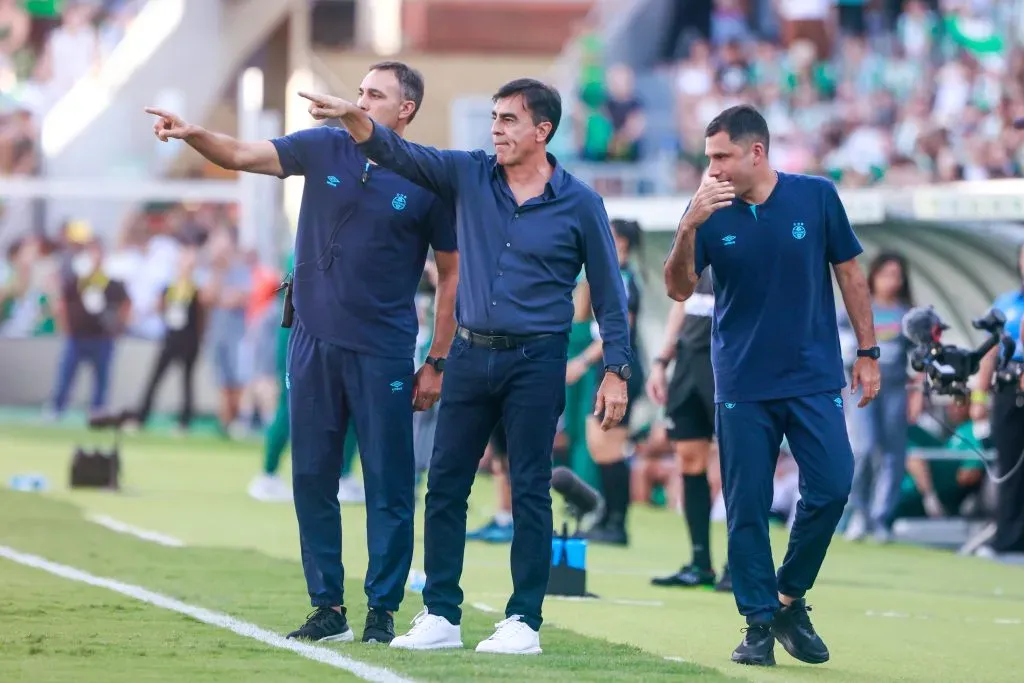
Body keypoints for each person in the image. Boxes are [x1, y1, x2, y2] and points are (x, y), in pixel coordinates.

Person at [297, 77, 632, 654]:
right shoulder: (469, 173)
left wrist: (616, 370)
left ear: (542, 131)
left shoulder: (581, 203)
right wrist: (357, 117)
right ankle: (441, 615)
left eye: (508, 120)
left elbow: (608, 293)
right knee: (446, 486)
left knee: (529, 488)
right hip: (471, 354)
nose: (495, 129)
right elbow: (397, 151)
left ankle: (524, 619)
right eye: (495, 118)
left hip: (538, 359)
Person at [145, 61, 459, 645]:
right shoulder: (322, 148)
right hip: (311, 341)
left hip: (385, 351)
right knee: (312, 478)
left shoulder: (430, 178)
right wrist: (193, 134)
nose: (358, 99)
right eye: (360, 90)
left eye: (374, 94)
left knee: (389, 485)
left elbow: (451, 274)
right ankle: (327, 607)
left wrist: (436, 359)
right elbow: (241, 154)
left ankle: (382, 612)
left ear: (405, 109)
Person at [663, 105, 880, 667]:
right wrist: (688, 224)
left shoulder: (816, 195)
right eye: (708, 157)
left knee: (833, 485)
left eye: (721, 157)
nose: (711, 168)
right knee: (746, 507)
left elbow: (851, 274)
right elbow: (679, 288)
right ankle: (758, 625)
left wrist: (868, 351)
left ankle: (787, 596)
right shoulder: (706, 211)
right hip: (740, 379)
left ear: (755, 152)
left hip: (813, 376)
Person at [648, 269, 731, 591]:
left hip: (728, 362)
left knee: (736, 465)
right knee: (689, 461)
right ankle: (700, 563)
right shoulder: (692, 234)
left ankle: (739, 565)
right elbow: (681, 301)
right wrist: (661, 361)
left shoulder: (747, 227)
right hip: (687, 363)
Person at [569, 218, 647, 545]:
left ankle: (617, 523)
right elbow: (580, 315)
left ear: (623, 243)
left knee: (610, 446)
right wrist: (588, 275)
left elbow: (619, 333)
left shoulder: (626, 280)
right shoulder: (607, 276)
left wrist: (581, 361)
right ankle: (607, 515)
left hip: (621, 370)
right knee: (599, 446)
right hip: (603, 370)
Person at [842, 251, 923, 543]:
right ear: (873, 276)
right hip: (861, 385)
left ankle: (881, 517)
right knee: (863, 448)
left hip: (895, 387)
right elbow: (839, 341)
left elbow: (919, 359)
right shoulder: (858, 307)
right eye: (886, 274)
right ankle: (859, 511)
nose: (892, 281)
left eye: (897, 276)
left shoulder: (907, 314)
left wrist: (918, 393)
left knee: (892, 453)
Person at [970, 242, 1024, 557]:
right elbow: (990, 352)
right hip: (1007, 389)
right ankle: (1007, 538)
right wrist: (979, 395)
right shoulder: (1007, 303)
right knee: (1009, 465)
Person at [133, 239, 205, 432]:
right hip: (171, 337)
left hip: (188, 340)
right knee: (155, 378)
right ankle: (141, 417)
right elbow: (160, 308)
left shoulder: (195, 289)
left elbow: (201, 317)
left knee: (187, 382)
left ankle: (185, 421)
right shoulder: (170, 287)